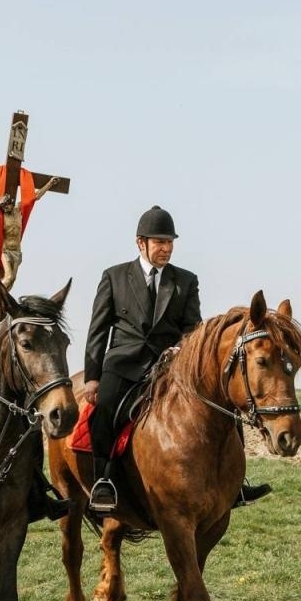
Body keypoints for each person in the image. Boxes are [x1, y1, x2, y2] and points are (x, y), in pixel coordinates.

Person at [80, 206, 202, 513]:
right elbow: (98, 329)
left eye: (170, 242)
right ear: (140, 243)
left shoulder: (186, 281)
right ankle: (102, 482)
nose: (166, 248)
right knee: (105, 410)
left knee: (218, 400)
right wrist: (93, 377)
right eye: (159, 242)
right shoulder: (114, 276)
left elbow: (192, 328)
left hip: (170, 365)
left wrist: (181, 349)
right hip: (123, 363)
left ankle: (236, 484)